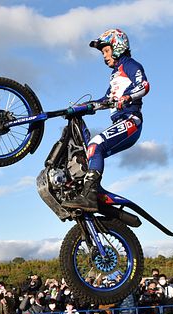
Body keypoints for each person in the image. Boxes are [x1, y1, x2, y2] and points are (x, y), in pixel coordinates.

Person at [62, 28, 149, 211]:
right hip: (119, 122)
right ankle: (83, 189)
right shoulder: (115, 75)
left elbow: (144, 85)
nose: (104, 56)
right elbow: (105, 101)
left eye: (106, 51)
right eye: (102, 53)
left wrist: (128, 98)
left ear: (118, 47)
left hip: (131, 120)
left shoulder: (130, 65)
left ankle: (90, 195)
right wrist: (83, 107)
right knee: (88, 150)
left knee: (96, 143)